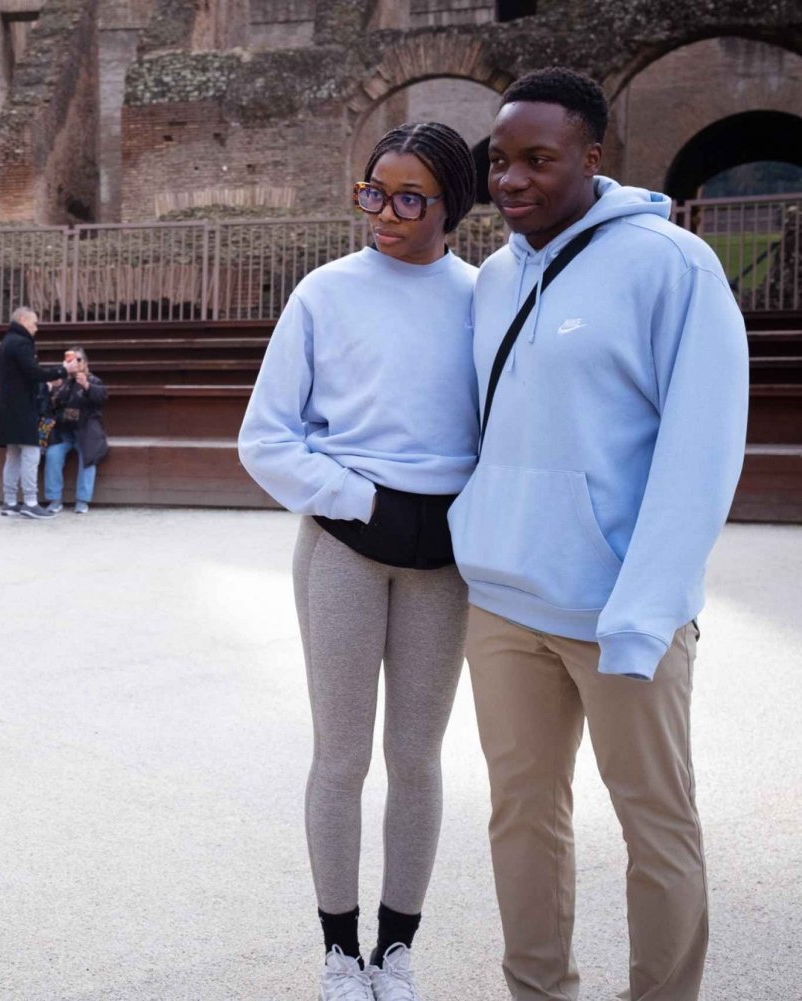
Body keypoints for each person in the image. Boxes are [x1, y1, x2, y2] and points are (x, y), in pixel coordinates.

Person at [447, 68, 748, 1001]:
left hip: (620, 607)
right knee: (521, 818)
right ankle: (538, 989)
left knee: (657, 823)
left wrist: (646, 610)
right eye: (499, 162)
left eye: (538, 159)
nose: (513, 180)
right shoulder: (494, 276)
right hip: (502, 602)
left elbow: (700, 452)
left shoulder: (670, 265)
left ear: (592, 156)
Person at [239, 122, 480, 1001]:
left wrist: (457, 516)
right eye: (372, 191)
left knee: (418, 755)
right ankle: (340, 952)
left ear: (452, 202)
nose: (385, 212)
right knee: (340, 755)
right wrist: (363, 502)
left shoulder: (483, 296)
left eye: (409, 197)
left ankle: (398, 948)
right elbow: (265, 437)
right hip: (347, 543)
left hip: (443, 554)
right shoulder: (324, 293)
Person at [0, 305, 65, 518]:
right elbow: (33, 372)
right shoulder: (21, 343)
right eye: (34, 323)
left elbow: (21, 377)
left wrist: (46, 384)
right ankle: (30, 502)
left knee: (13, 454)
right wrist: (62, 370)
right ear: (24, 320)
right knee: (31, 453)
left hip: (8, 405)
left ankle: (9, 501)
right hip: (23, 407)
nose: (36, 328)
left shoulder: (6, 342)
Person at [42, 346, 108, 514]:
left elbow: (101, 397)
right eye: (70, 360)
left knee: (88, 458)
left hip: (85, 432)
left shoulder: (93, 380)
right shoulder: (62, 381)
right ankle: (54, 499)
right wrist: (51, 389)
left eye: (77, 360)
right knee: (53, 455)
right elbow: (51, 406)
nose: (74, 363)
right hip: (64, 432)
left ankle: (82, 500)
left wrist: (86, 385)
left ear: (84, 362)